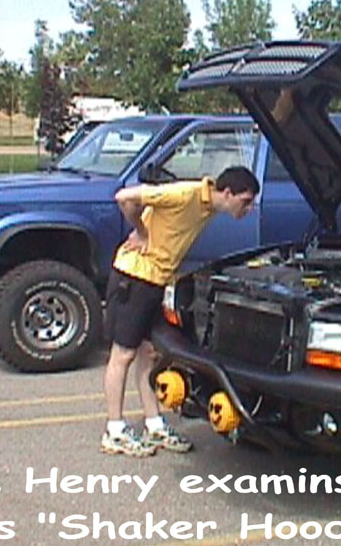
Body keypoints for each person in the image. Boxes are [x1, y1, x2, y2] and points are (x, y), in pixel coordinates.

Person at [101, 166, 260, 457]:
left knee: (149, 354)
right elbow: (124, 197)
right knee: (122, 355)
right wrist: (142, 232)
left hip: (156, 280)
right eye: (245, 201)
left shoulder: (209, 204)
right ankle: (114, 430)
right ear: (227, 193)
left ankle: (154, 424)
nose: (248, 209)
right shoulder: (185, 194)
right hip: (134, 276)